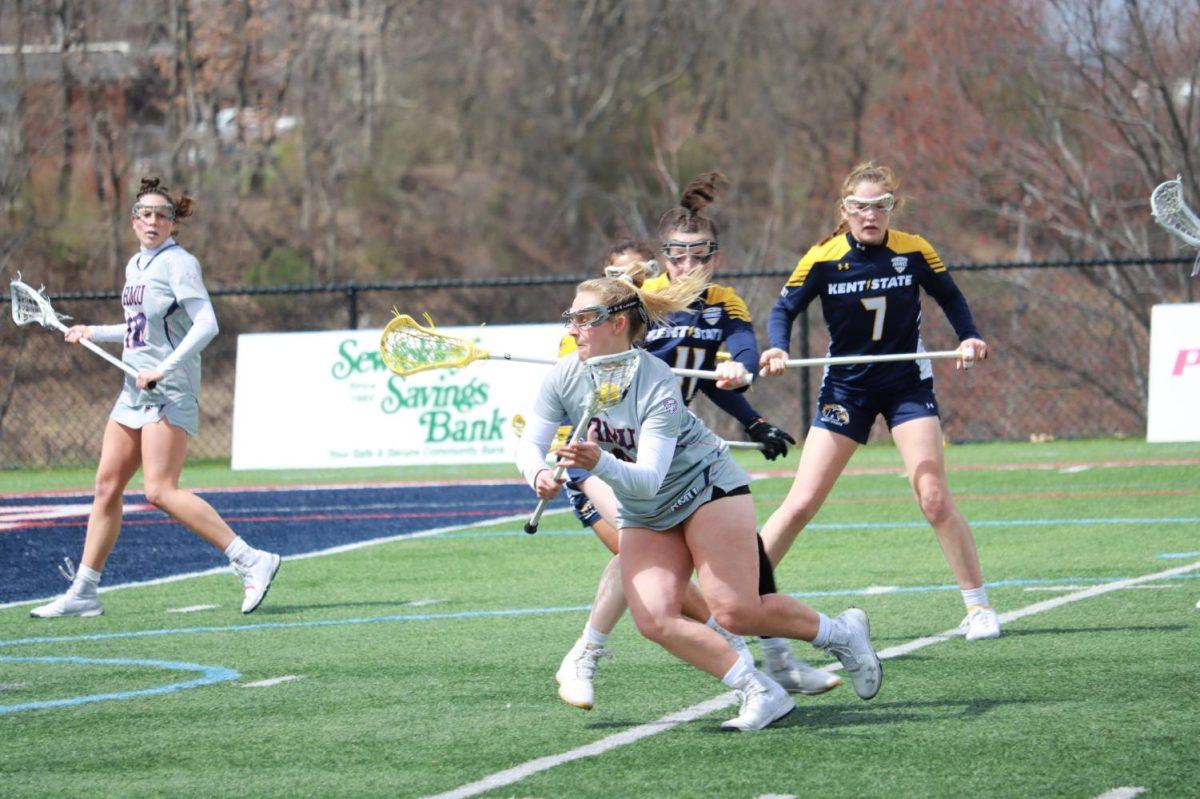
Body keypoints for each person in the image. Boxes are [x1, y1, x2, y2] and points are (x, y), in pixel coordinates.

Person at [516, 271, 883, 731]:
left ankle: (840, 633)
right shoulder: (566, 375)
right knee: (654, 620)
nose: (572, 328)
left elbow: (649, 477)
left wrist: (596, 464)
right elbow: (529, 444)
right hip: (646, 511)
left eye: (584, 318)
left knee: (736, 612)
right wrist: (539, 473)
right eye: (570, 317)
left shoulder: (656, 380)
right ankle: (759, 691)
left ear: (618, 323)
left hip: (705, 487)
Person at [554, 177, 838, 711]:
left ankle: (773, 660)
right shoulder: (628, 315)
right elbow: (569, 389)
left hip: (672, 461)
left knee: (731, 558)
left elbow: (719, 371)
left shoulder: (717, 304)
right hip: (603, 459)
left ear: (712, 257)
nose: (687, 269)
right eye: (676, 259)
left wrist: (752, 417)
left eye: (698, 256)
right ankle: (586, 654)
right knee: (641, 558)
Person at [758, 161, 1000, 641]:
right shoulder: (823, 257)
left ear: (893, 208)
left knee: (932, 496)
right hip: (846, 389)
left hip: (906, 385)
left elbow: (951, 297)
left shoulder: (914, 250)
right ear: (845, 210)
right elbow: (784, 307)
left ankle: (978, 607)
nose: (871, 215)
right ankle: (734, 596)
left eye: (880, 206)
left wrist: (970, 336)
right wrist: (778, 345)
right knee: (801, 502)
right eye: (860, 207)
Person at [30, 177, 281, 619]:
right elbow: (137, 330)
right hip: (133, 389)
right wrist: (93, 331)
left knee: (160, 491)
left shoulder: (180, 263)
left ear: (172, 224)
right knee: (107, 486)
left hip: (168, 388)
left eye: (162, 215)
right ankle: (85, 591)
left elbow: (207, 323)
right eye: (145, 214)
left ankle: (249, 558)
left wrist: (163, 368)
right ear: (133, 221)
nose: (153, 221)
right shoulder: (135, 266)